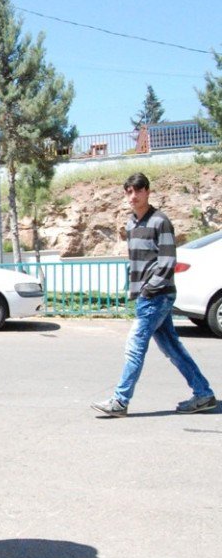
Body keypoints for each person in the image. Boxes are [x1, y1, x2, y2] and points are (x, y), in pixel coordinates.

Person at [91, 172, 216, 417]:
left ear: (148, 191)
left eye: (138, 190)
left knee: (134, 346)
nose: (133, 196)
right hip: (146, 296)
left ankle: (120, 400)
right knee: (173, 349)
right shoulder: (131, 224)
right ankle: (203, 394)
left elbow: (168, 261)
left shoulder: (160, 221)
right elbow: (137, 261)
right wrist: (135, 289)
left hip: (156, 296)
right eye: (129, 191)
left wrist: (149, 289)